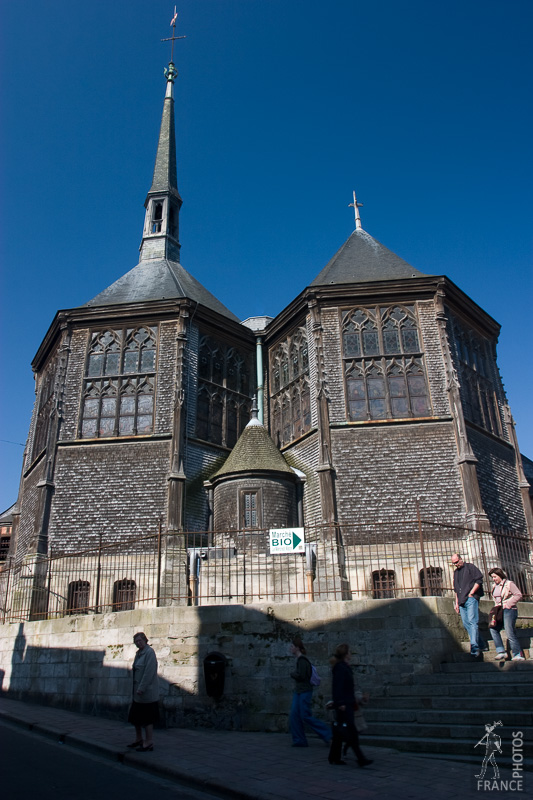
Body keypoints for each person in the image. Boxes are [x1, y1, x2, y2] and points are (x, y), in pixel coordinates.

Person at [328, 643, 373, 767]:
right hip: (344, 704)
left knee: (338, 733)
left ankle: (333, 757)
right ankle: (361, 759)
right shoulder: (340, 668)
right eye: (349, 652)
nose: (351, 653)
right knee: (351, 732)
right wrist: (340, 703)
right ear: (346, 654)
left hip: (347, 702)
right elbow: (337, 687)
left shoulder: (344, 667)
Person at [289, 636, 331, 748]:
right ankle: (299, 740)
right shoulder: (300, 660)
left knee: (305, 715)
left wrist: (292, 674)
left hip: (304, 691)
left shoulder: (302, 661)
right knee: (294, 715)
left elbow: (302, 676)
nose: (290, 648)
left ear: (297, 648)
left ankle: (327, 734)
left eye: (292, 646)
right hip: (299, 691)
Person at [127, 632, 159, 751]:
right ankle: (139, 738)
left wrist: (142, 688)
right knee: (135, 717)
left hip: (146, 693)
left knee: (147, 718)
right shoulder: (139, 654)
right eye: (136, 642)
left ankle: (149, 741)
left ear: (145, 640)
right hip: (137, 694)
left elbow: (149, 672)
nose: (138, 643)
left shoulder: (149, 653)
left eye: (140, 641)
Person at [452, 553, 487, 658]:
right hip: (461, 600)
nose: (456, 564)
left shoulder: (471, 567)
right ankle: (481, 644)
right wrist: (456, 603)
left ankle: (474, 647)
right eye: (454, 563)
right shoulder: (456, 572)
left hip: (471, 598)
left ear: (461, 559)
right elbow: (456, 589)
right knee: (466, 623)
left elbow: (479, 580)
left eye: (457, 562)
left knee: (472, 621)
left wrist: (472, 592)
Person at [488, 568, 524, 661]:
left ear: (500, 575)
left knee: (509, 632)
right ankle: (501, 651)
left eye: (495, 577)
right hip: (498, 610)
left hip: (509, 610)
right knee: (493, 628)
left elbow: (518, 595)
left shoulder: (509, 584)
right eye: (492, 577)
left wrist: (508, 604)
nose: (494, 579)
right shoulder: (494, 586)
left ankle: (517, 653)